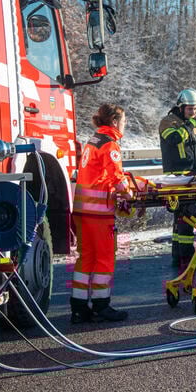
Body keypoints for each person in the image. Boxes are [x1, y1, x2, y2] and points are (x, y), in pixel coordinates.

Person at [70, 103, 133, 323]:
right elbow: (116, 176)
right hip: (99, 213)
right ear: (115, 122)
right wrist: (128, 195)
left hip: (82, 210)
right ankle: (101, 304)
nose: (124, 125)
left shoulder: (94, 140)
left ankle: (79, 306)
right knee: (105, 258)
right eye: (123, 121)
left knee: (86, 258)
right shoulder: (110, 144)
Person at [158, 88, 196, 269]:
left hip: (193, 174)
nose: (193, 112)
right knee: (187, 215)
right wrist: (188, 127)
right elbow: (174, 139)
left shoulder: (194, 123)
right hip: (178, 176)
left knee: (183, 216)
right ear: (180, 107)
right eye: (190, 109)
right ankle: (187, 257)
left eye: (195, 109)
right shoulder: (168, 122)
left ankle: (179, 255)